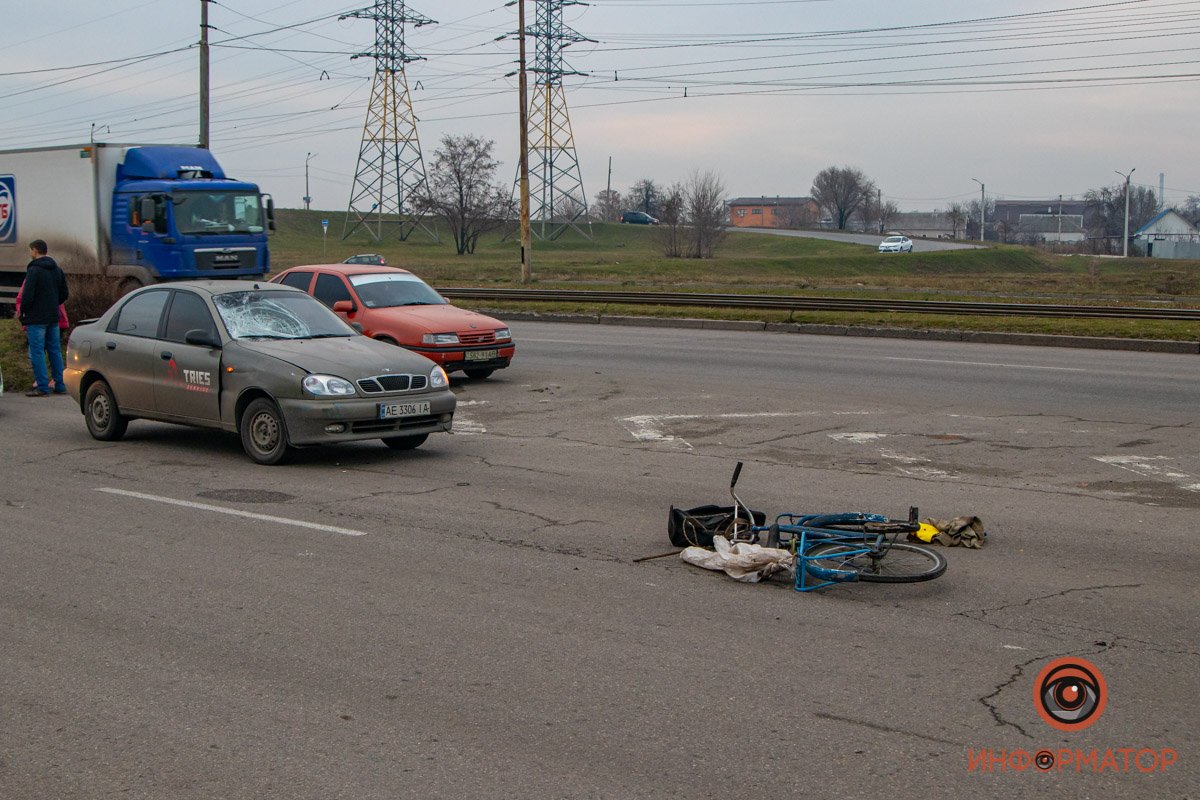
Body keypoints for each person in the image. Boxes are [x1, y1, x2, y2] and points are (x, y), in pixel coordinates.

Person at [19, 239, 70, 397]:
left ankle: (42, 386)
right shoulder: (57, 269)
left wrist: (24, 311)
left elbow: (27, 296)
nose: (30, 253)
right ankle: (60, 384)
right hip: (53, 317)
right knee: (55, 350)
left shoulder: (34, 271)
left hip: (36, 318)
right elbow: (64, 294)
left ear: (35, 250)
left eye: (30, 250)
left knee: (37, 352)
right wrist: (53, 303)